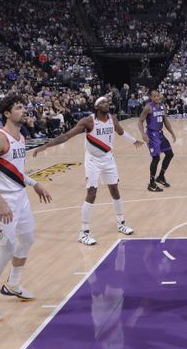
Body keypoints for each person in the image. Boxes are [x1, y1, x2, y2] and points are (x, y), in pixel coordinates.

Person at [0, 96, 52, 322]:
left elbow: (15, 171)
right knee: (6, 250)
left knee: (27, 239)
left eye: (23, 107)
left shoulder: (21, 137)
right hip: (2, 202)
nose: (24, 110)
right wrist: (0, 202)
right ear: (7, 113)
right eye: (19, 107)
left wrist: (34, 183)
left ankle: (13, 283)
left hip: (20, 198)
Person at [34, 96, 143, 245]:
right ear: (97, 107)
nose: (107, 103)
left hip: (108, 158)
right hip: (92, 160)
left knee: (115, 191)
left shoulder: (113, 119)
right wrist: (45, 146)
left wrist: (134, 140)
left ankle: (121, 223)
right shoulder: (88, 121)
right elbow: (66, 136)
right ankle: (83, 232)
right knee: (92, 193)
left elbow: (121, 132)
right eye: (103, 102)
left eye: (107, 101)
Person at [138, 90, 177, 192]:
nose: (156, 98)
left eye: (157, 96)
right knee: (156, 158)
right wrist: (143, 134)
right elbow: (140, 121)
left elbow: (165, 121)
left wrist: (172, 132)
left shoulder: (162, 106)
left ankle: (160, 177)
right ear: (151, 97)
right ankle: (151, 183)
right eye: (154, 96)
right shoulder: (148, 108)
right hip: (151, 134)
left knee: (169, 154)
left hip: (160, 134)